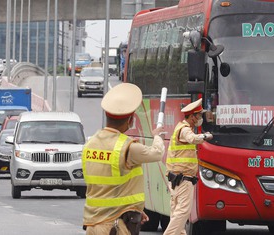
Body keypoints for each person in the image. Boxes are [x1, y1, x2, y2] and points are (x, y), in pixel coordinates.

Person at [82, 83, 165, 235]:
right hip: (114, 227)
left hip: (93, 225)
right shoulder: (127, 147)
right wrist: (157, 136)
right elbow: (157, 153)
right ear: (130, 120)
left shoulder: (90, 144)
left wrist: (133, 208)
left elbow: (107, 188)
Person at [163, 98, 213, 235]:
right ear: (192, 116)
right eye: (199, 115)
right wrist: (205, 136)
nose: (200, 118)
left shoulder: (181, 127)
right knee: (183, 211)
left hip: (178, 179)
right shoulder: (184, 129)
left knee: (177, 213)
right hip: (183, 179)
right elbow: (192, 138)